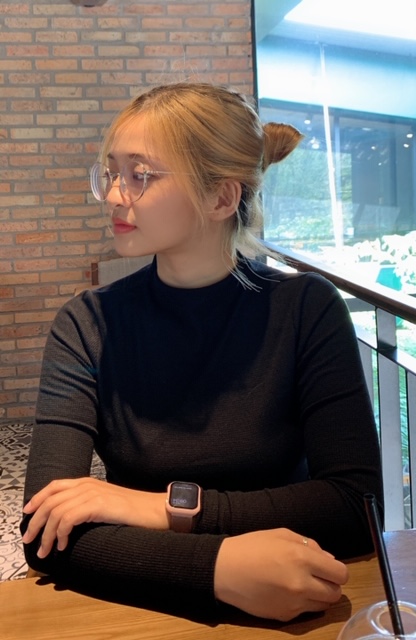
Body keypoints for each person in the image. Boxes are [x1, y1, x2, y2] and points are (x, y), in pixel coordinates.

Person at [21, 82, 383, 623]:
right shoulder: (86, 324)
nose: (115, 196)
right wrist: (218, 568)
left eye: (140, 175)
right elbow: (44, 531)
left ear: (220, 198)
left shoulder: (306, 308)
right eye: (112, 174)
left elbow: (354, 507)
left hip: (305, 600)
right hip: (147, 612)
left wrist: (153, 507)